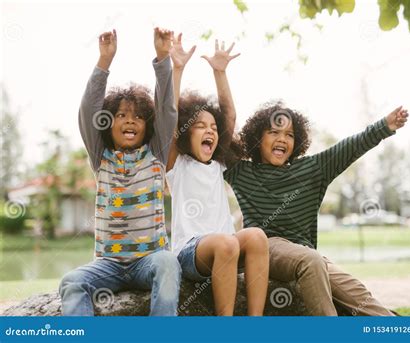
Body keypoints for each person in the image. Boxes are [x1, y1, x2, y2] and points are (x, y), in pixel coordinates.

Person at [224, 101, 409, 316]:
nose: (282, 139)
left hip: (306, 252)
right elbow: (225, 131)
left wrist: (385, 126)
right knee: (311, 260)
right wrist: (221, 74)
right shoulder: (243, 172)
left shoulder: (313, 170)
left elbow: (350, 147)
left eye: (290, 134)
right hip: (266, 247)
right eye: (274, 132)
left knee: (356, 291)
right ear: (258, 137)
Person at [59, 28, 181, 316]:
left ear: (148, 125)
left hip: (149, 260)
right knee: (72, 282)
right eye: (122, 115)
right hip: (108, 265)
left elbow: (167, 110)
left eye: (138, 116)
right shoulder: (101, 156)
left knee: (168, 263)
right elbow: (87, 109)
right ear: (107, 123)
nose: (130, 121)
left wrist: (163, 59)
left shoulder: (156, 154)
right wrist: (104, 61)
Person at [166, 36, 269, 316]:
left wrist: (220, 73)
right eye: (200, 126)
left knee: (258, 236)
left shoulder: (218, 164)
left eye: (213, 127)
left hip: (227, 249)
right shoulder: (178, 164)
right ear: (187, 132)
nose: (210, 130)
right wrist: (176, 70)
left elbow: (230, 115)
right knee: (227, 242)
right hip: (190, 254)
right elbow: (170, 118)